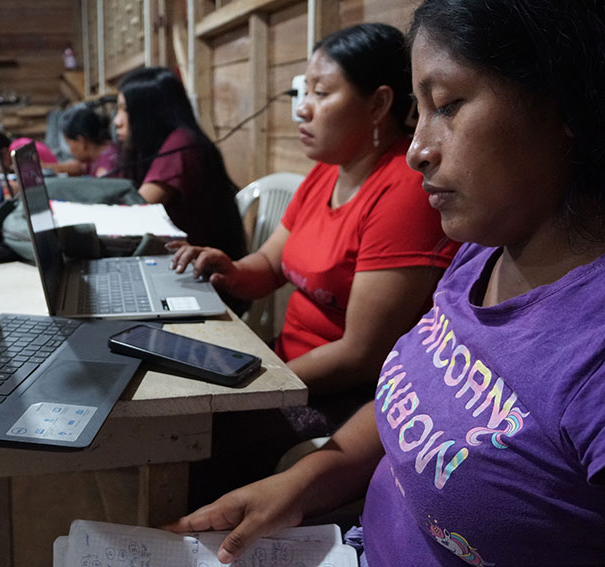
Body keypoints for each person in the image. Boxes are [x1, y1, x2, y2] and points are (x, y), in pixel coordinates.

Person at [170, 1, 605, 565]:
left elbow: (359, 356)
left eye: (447, 105)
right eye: (419, 111)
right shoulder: (482, 252)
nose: (418, 151)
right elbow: (412, 400)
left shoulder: (589, 354)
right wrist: (302, 482)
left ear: (565, 101)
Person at [171, 24, 456, 399]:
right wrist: (232, 271)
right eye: (303, 92)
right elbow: (270, 264)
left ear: (378, 104)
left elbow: (361, 357)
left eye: (320, 93)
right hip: (284, 366)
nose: (301, 109)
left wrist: (254, 389)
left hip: (342, 394)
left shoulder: (404, 191)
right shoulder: (328, 170)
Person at [113, 66, 246, 262]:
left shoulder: (182, 144)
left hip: (203, 269)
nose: (116, 121)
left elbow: (139, 211)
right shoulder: (148, 147)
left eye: (125, 109)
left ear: (149, 112)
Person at [62, 106, 120, 177]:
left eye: (68, 144)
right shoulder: (109, 151)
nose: (70, 151)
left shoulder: (105, 167)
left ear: (81, 142)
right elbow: (80, 167)